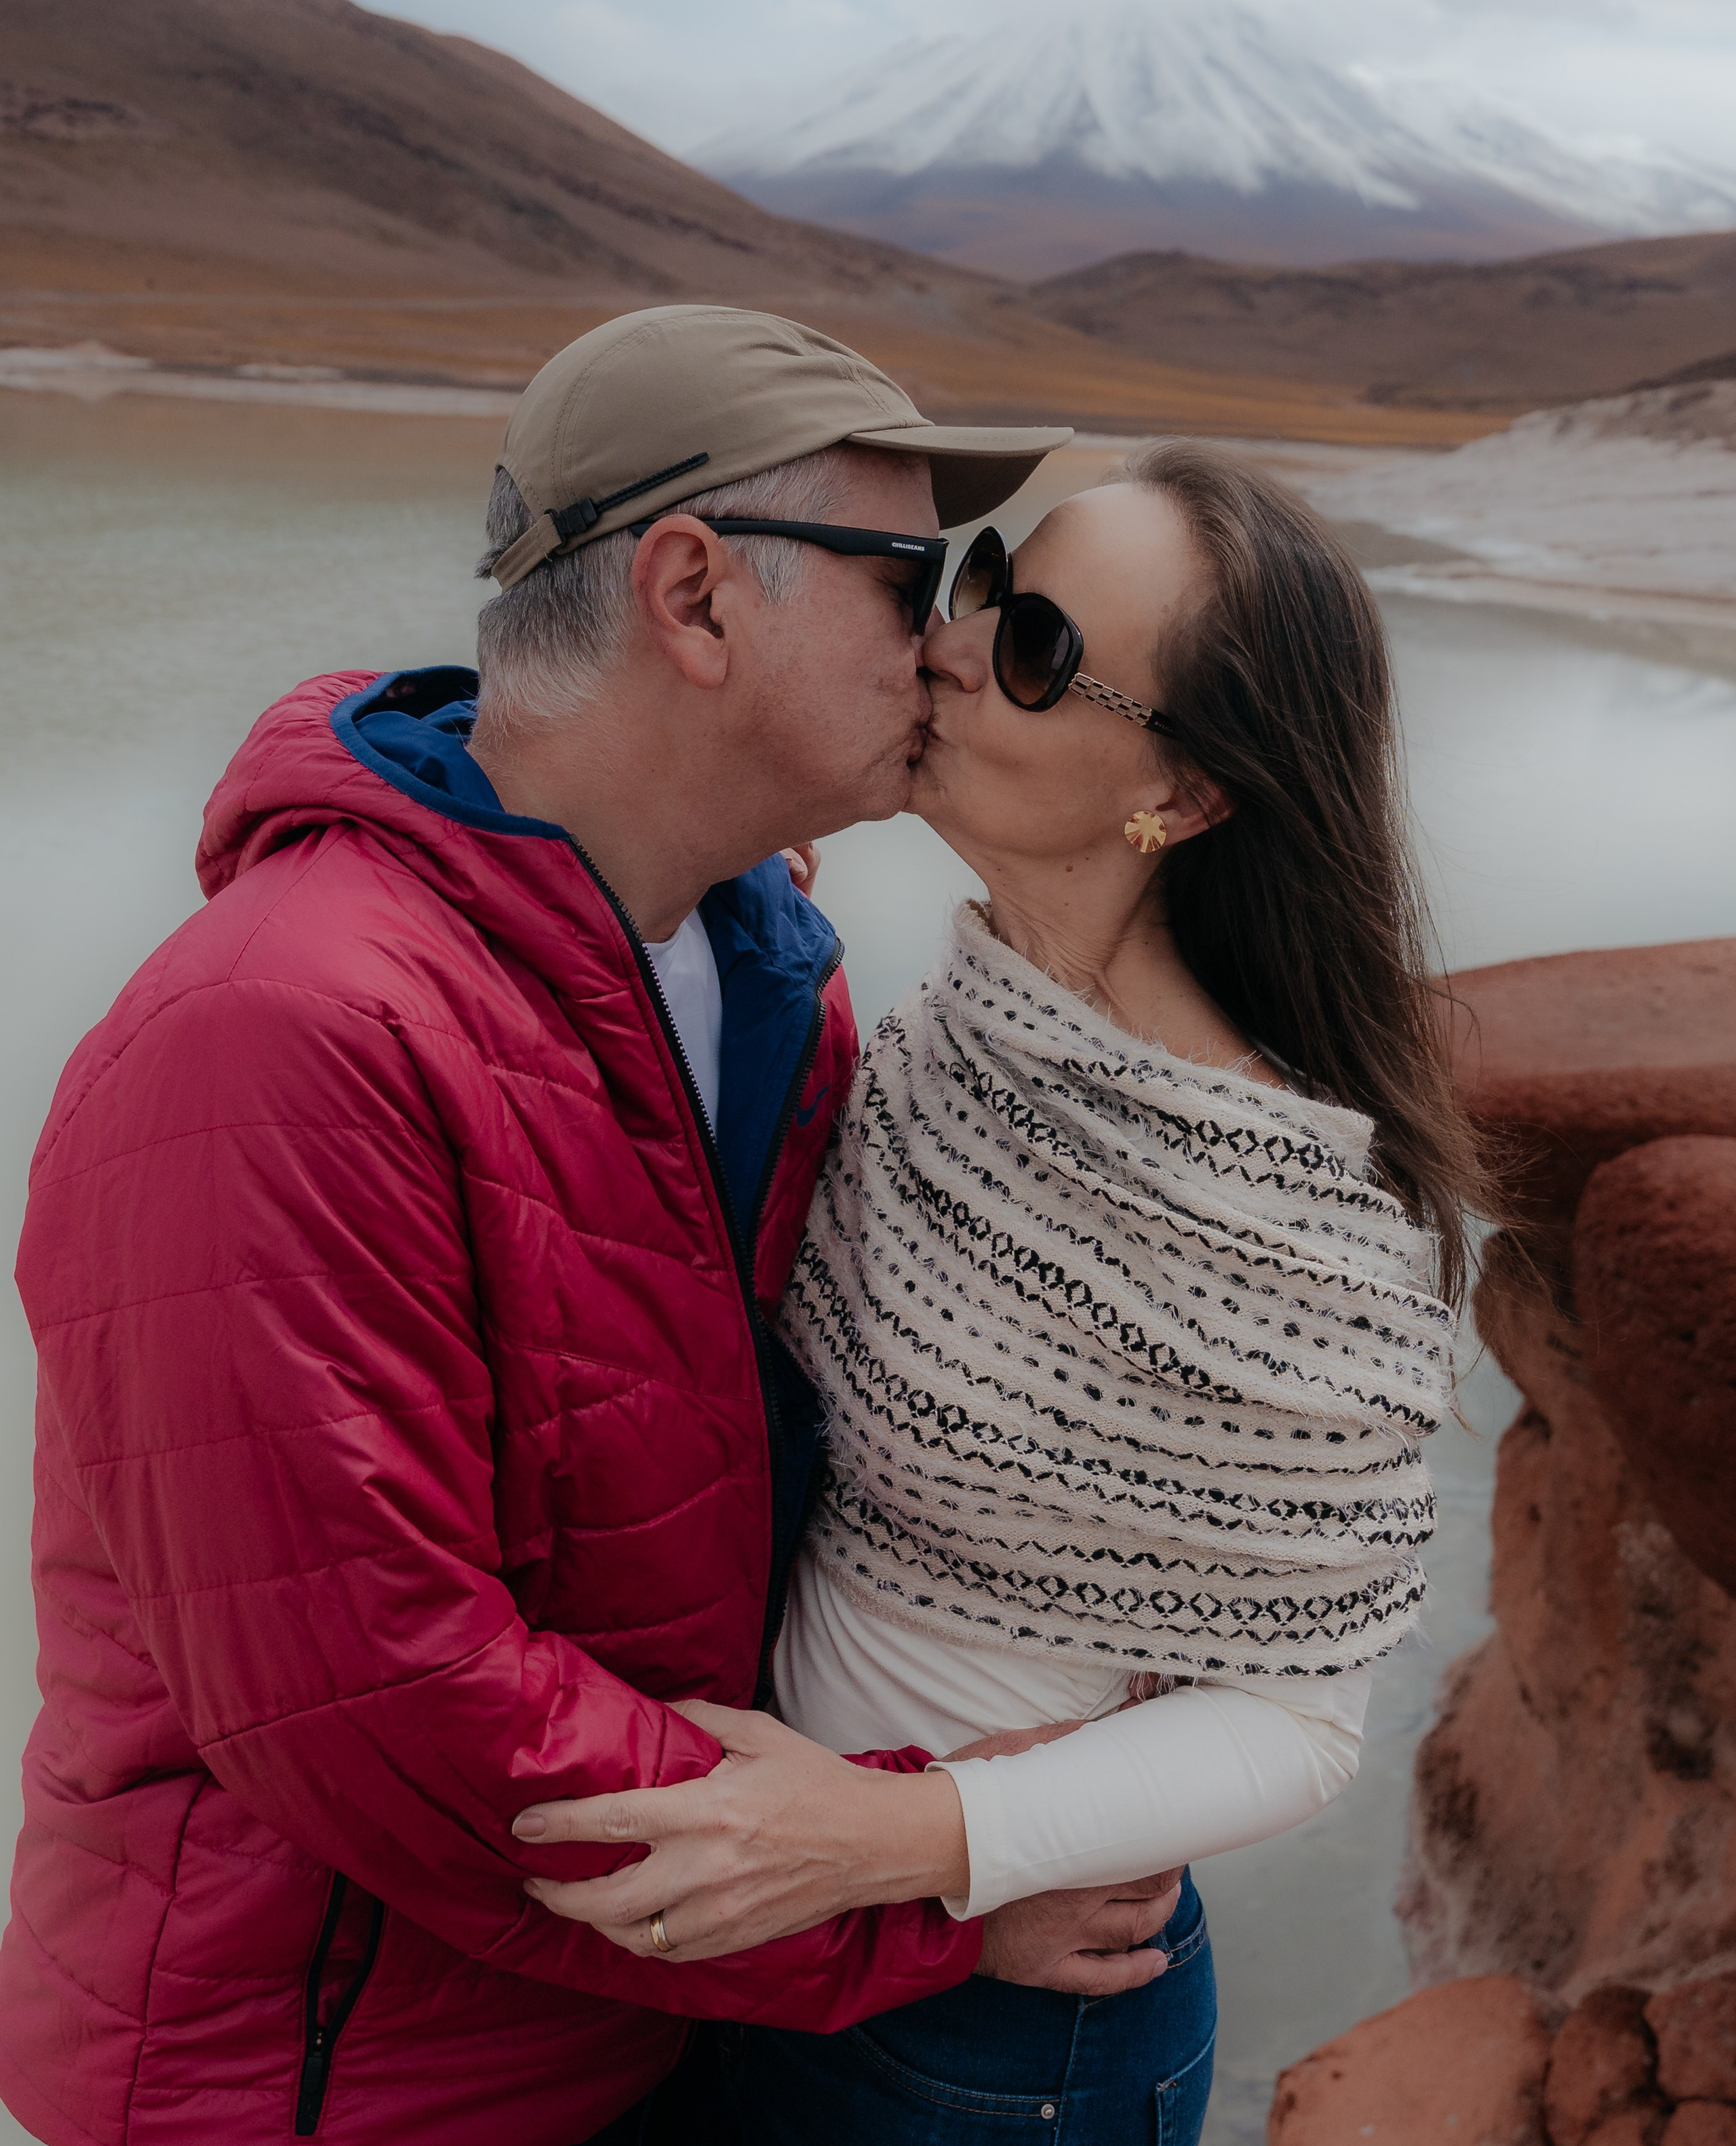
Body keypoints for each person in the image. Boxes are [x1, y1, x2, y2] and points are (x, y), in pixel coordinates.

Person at [1, 306, 1185, 2146]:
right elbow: (395, 1713)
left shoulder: (757, 964)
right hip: (329, 2084)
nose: (953, 643)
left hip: (624, 2029)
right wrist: (933, 1888)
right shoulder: (278, 1034)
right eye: (912, 578)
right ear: (698, 600)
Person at [511, 442, 1493, 2144]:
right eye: (977, 583)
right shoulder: (958, 1035)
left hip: (998, 2030)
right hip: (789, 1943)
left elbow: (1295, 1728)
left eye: (1032, 647)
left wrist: (895, 1840)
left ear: (1179, 799)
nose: (949, 646)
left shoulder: (1296, 1221)